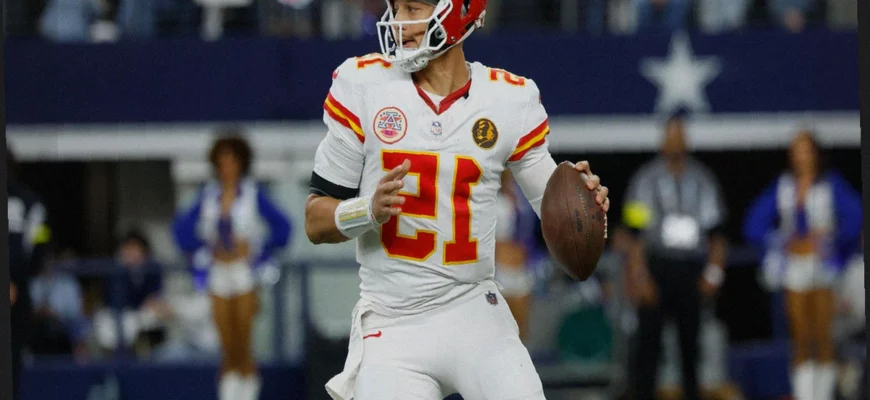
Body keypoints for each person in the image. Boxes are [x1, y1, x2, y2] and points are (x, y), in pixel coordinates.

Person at [303, 1, 611, 399]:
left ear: (460, 10)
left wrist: (586, 204)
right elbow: (315, 221)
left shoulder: (508, 99)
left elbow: (556, 207)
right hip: (393, 322)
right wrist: (367, 210)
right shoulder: (363, 85)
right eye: (395, 9)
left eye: (412, 8)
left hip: (473, 310)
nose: (397, 23)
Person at [172, 133, 292, 400]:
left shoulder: (252, 194)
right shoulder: (208, 196)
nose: (227, 167)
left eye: (232, 161)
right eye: (222, 162)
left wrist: (259, 249)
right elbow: (181, 230)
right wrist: (202, 249)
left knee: (243, 340)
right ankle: (228, 393)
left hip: (244, 272)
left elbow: (284, 227)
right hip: (218, 272)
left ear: (241, 163)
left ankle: (248, 392)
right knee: (226, 342)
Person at [743, 131, 862, 400]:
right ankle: (804, 394)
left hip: (824, 266)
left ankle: (824, 394)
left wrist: (834, 238)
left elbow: (855, 215)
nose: (801, 157)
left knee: (823, 334)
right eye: (796, 151)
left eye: (806, 151)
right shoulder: (784, 187)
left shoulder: (830, 184)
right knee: (800, 336)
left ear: (816, 154)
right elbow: (754, 223)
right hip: (795, 267)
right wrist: (778, 240)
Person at [622, 114, 728, 400]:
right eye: (670, 137)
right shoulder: (645, 180)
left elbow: (717, 234)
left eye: (680, 137)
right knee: (648, 347)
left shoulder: (703, 180)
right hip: (657, 265)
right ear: (662, 142)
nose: (675, 143)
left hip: (691, 268)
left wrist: (713, 274)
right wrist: (640, 276)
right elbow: (634, 235)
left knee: (690, 348)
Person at [7, 144, 52, 399]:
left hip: (17, 294)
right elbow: (39, 248)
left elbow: (40, 239)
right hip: (18, 291)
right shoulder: (33, 203)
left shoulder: (33, 205)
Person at [494, 170, 541, 343]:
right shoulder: (492, 200)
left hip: (522, 268)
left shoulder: (523, 198)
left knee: (521, 332)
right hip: (499, 270)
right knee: (499, 332)